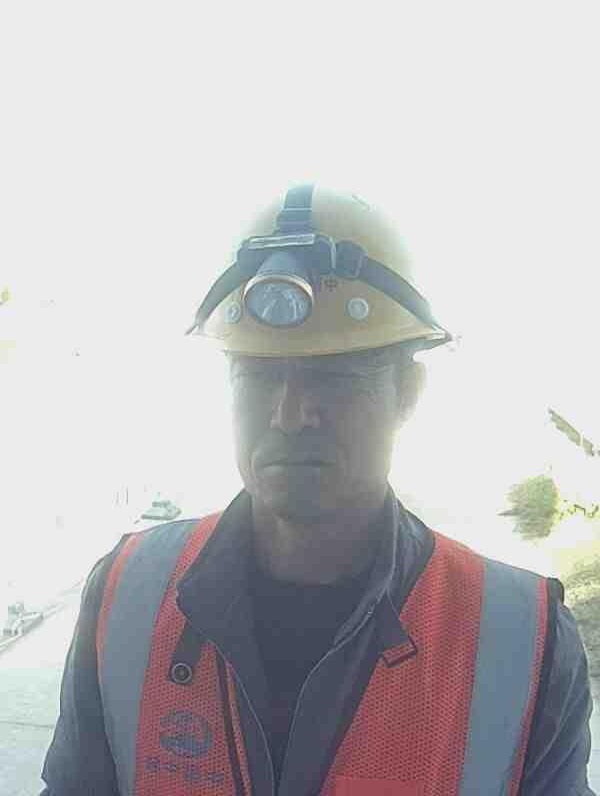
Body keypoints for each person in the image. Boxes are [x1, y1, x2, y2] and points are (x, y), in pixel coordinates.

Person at [40, 184, 596, 795]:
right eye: (259, 374)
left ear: (407, 394)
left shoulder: (519, 644)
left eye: (335, 376)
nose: (290, 414)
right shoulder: (127, 597)